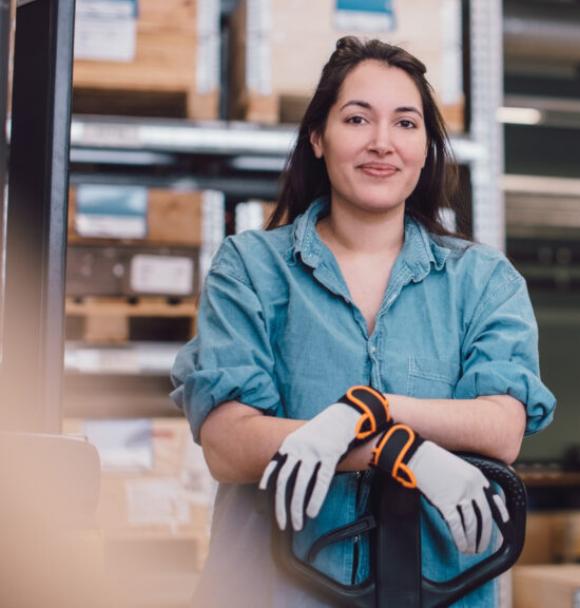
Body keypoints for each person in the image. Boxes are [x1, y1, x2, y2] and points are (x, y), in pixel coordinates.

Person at [170, 37, 556, 607]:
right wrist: (396, 452)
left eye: (406, 123)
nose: (382, 143)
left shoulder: (483, 281)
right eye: (357, 118)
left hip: (442, 594)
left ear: (426, 148)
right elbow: (229, 444)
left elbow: (501, 427)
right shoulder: (250, 268)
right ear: (318, 138)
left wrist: (369, 411)